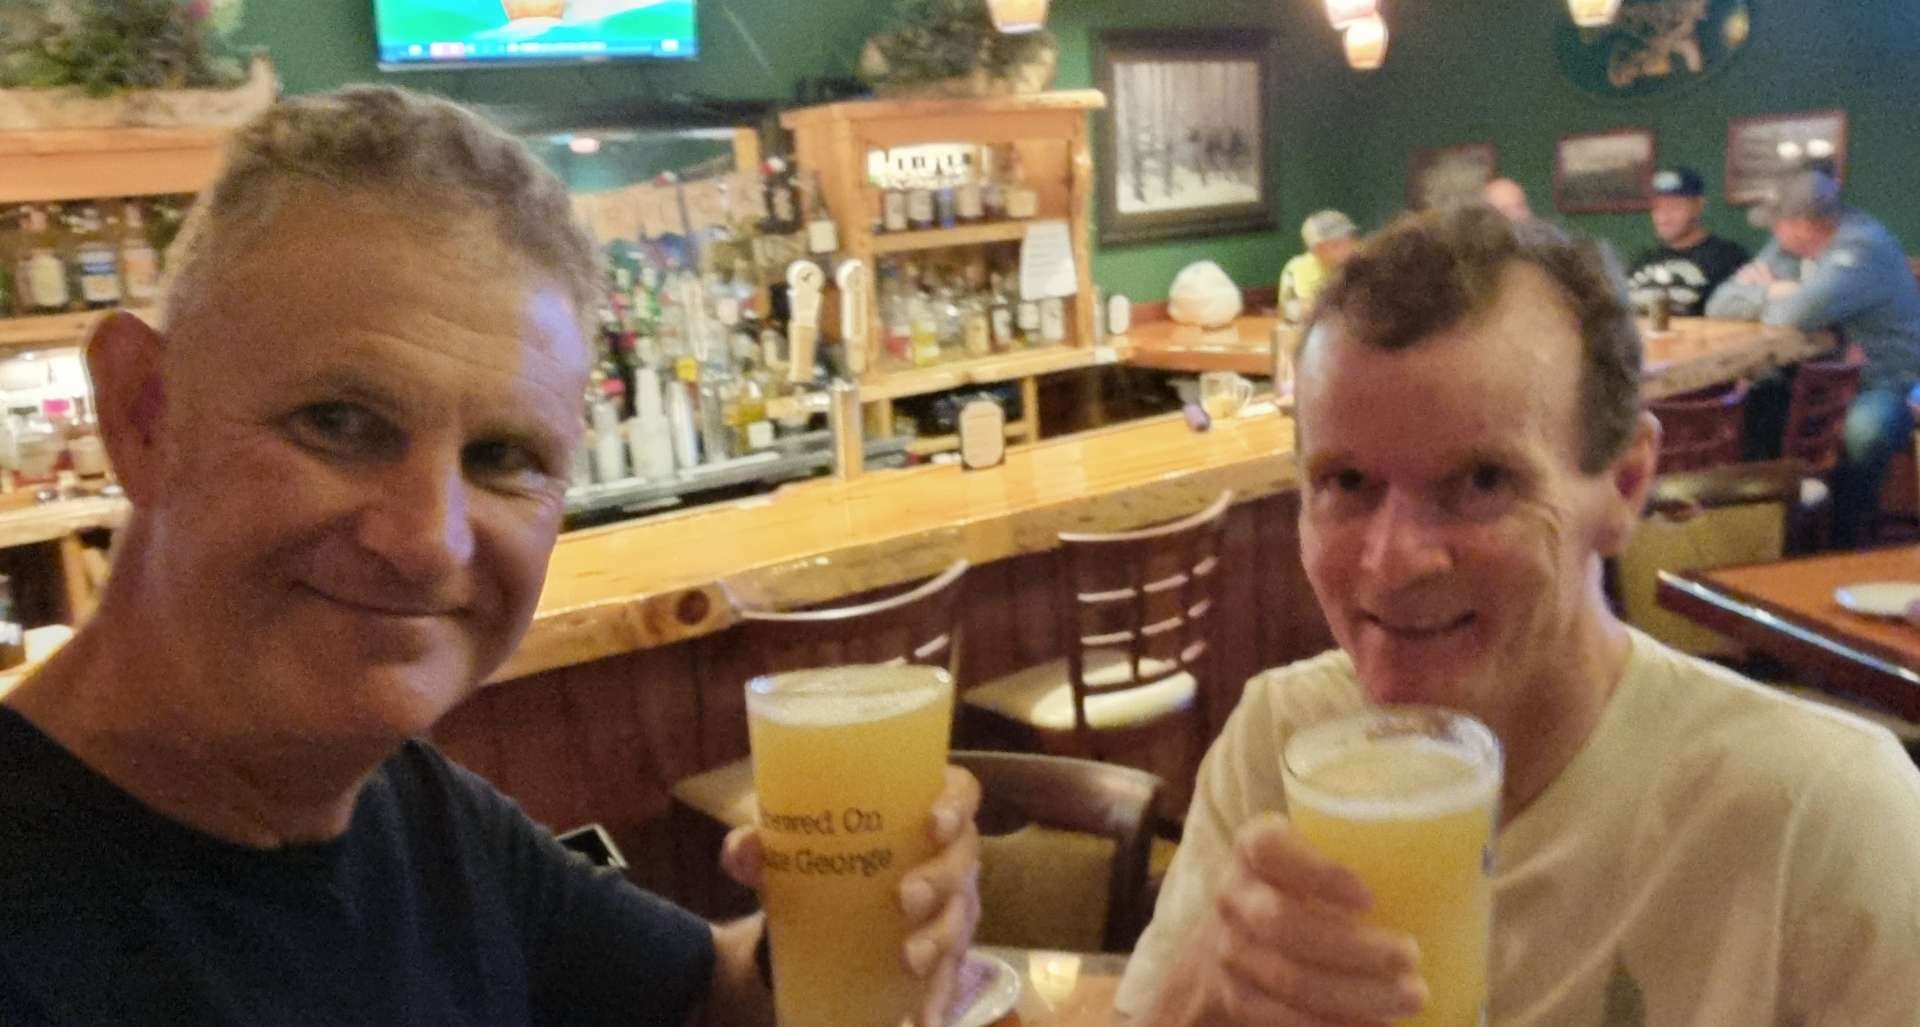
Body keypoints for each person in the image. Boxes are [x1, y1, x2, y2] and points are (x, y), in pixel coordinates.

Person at [0, 86, 981, 1026]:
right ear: (144, 412)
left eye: (504, 457)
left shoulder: (413, 810)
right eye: (339, 422)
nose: (431, 540)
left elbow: (699, 998)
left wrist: (834, 938)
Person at [1115, 206, 1920, 1025]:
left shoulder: (1829, 816)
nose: (1393, 561)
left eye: (1483, 481)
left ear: (1625, 485)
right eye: (1346, 483)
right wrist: (1197, 998)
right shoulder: (1279, 740)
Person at [1706, 167, 1920, 547]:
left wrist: (1779, 294)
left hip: (1884, 381)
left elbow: (1793, 315)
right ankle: (1773, 533)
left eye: (1779, 224)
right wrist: (1779, 291)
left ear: (1805, 224)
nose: (1773, 233)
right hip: (1818, 377)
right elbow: (1720, 303)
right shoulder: (1790, 247)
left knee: (1863, 433)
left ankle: (1845, 543)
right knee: (1756, 405)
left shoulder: (1862, 247)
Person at [1627, 166, 1749, 317]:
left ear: (1698, 206)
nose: (1663, 217)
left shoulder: (1728, 258)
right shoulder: (1643, 261)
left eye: (1674, 207)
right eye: (1657, 207)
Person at [1278, 210, 1357, 322]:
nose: (1347, 248)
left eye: (1350, 240)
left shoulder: (1352, 261)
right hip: (1301, 315)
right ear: (1316, 250)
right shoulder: (1304, 267)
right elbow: (1307, 308)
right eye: (1336, 245)